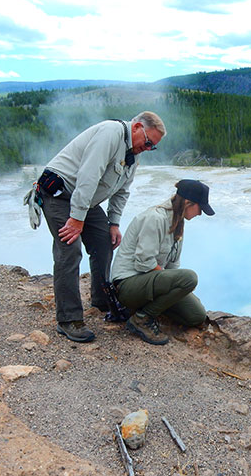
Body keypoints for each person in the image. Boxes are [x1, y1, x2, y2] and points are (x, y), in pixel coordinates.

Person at [39, 111, 166, 343]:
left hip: (85, 199)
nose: (147, 149)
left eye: (153, 147)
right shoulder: (111, 133)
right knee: (69, 248)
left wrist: (114, 223)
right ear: (137, 127)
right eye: (148, 142)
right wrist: (77, 218)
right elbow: (88, 175)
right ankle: (69, 319)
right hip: (59, 193)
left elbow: (122, 190)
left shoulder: (133, 154)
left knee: (103, 242)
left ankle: (101, 299)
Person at [110, 179, 214, 345]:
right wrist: (176, 284)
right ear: (188, 203)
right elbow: (144, 263)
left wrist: (176, 288)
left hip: (149, 283)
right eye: (199, 208)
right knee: (189, 278)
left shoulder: (178, 222)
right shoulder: (155, 218)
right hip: (128, 284)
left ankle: (148, 309)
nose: (200, 213)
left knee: (196, 315)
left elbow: (173, 266)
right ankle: (142, 318)